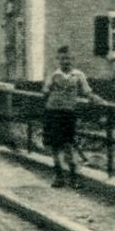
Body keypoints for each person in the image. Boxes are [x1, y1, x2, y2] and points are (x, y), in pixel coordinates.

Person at [42, 45, 98, 187]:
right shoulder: (54, 74)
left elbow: (87, 92)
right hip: (53, 112)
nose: (65, 61)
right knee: (55, 146)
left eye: (68, 58)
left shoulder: (78, 75)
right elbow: (45, 91)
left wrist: (98, 100)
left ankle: (73, 178)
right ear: (58, 60)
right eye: (62, 59)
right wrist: (52, 92)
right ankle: (59, 177)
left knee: (69, 145)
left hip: (68, 113)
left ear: (72, 59)